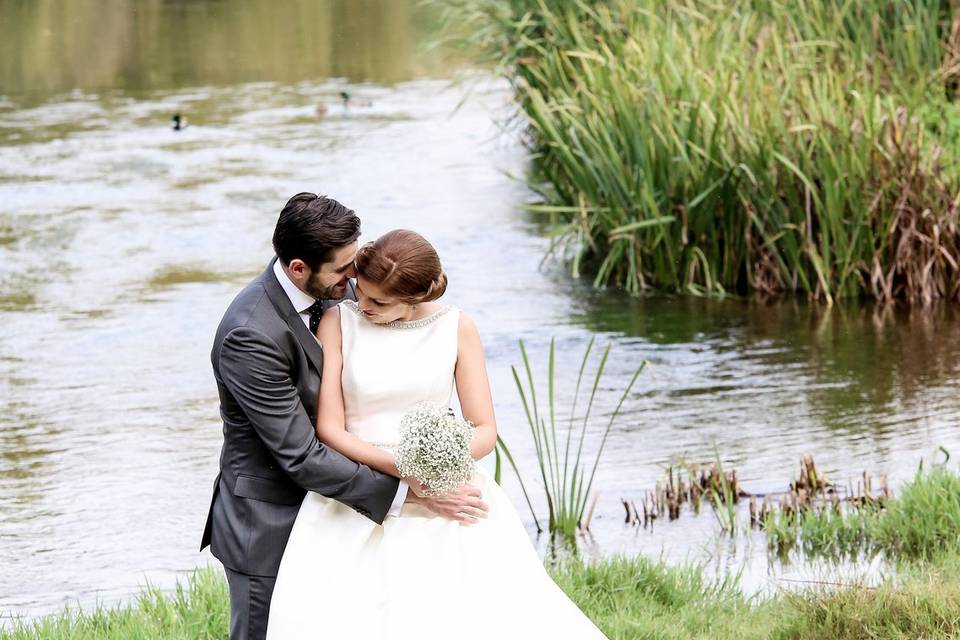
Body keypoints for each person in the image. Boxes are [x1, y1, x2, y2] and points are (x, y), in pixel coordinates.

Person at [266, 229, 608, 639]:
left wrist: (442, 468)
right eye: (360, 291)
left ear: (413, 299)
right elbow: (330, 429)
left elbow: (484, 429)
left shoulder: (458, 328)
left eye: (378, 301)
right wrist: (407, 473)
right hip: (360, 491)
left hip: (447, 483)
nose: (363, 304)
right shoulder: (339, 324)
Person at [201, 194, 486, 640]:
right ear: (299, 268)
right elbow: (300, 455)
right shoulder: (250, 335)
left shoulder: (351, 290)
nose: (356, 276)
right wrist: (414, 493)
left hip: (348, 509)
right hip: (272, 520)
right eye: (344, 268)